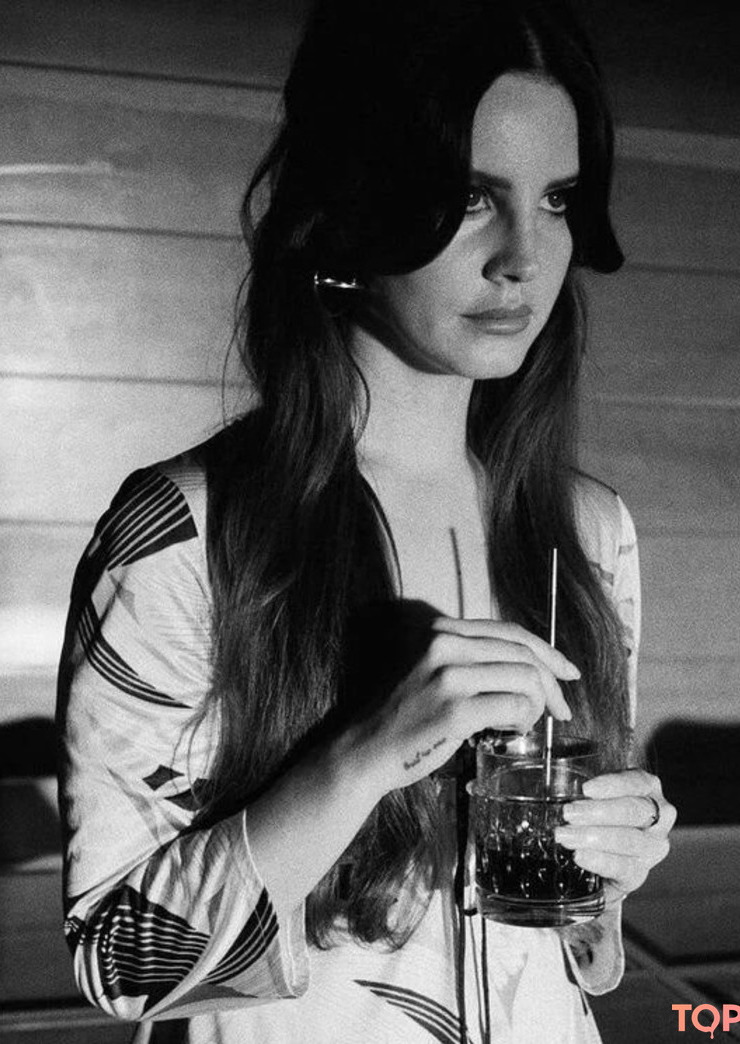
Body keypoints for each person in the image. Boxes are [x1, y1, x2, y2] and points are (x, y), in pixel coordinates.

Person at [57, 0, 675, 1040]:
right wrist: (364, 756)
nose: (524, 257)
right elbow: (117, 957)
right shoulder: (186, 534)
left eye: (558, 200)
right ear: (353, 204)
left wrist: (612, 860)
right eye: (472, 197)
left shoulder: (589, 530)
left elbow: (557, 945)